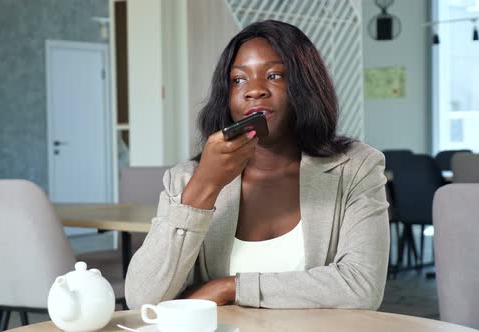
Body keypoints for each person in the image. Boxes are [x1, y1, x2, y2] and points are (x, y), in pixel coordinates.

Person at [125, 20, 389, 310]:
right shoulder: (185, 179)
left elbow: (362, 286)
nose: (254, 91)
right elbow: (142, 299)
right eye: (238, 80)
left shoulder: (355, 168)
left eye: (274, 75)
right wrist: (204, 187)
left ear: (305, 86)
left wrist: (230, 288)